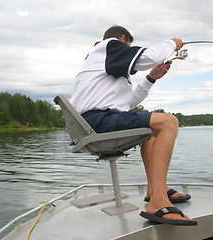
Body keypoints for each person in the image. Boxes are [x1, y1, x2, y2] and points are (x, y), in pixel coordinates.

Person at [70, 25, 197, 226]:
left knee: (151, 131)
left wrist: (151, 78)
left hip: (100, 119)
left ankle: (156, 190)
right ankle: (157, 202)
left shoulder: (102, 65)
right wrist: (173, 44)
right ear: (122, 39)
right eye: (127, 47)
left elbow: (126, 104)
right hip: (97, 120)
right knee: (169, 122)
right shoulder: (108, 46)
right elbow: (146, 57)